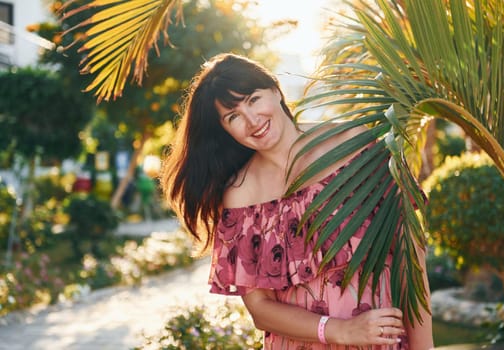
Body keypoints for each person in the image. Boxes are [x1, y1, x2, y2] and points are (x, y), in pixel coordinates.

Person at [160, 53, 434, 349]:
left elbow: (411, 258)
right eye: (233, 116)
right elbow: (261, 310)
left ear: (275, 91)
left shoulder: (355, 145)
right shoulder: (240, 195)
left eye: (253, 99)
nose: (252, 121)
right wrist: (340, 330)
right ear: (225, 129)